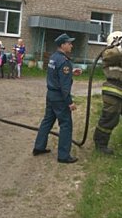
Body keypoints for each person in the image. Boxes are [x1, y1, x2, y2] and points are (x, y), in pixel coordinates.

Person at [33, 33, 79, 164]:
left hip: (51, 95)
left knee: (47, 121)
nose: (71, 45)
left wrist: (71, 72)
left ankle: (39, 147)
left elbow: (56, 75)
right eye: (69, 43)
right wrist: (69, 102)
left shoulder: (53, 58)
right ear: (63, 45)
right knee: (66, 125)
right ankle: (64, 156)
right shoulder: (64, 61)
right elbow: (64, 86)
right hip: (60, 97)